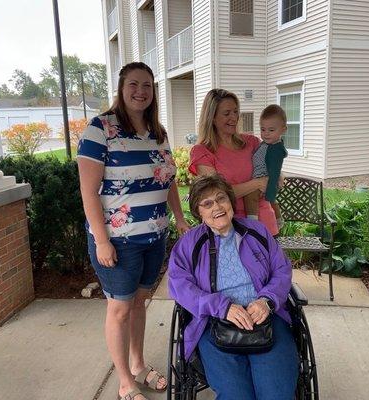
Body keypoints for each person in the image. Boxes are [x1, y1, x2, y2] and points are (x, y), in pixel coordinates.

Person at [77, 62, 189, 400]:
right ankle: (125, 381)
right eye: (134, 84)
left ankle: (138, 364)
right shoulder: (100, 129)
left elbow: (167, 180)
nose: (141, 91)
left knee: (140, 303)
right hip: (118, 241)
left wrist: (179, 218)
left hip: (155, 236)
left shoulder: (158, 132)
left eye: (148, 85)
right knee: (120, 308)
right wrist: (101, 240)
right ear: (122, 87)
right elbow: (88, 192)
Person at [168, 174, 299, 400]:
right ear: (198, 212)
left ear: (230, 202)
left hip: (265, 316)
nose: (217, 207)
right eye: (207, 204)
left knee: (277, 393)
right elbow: (179, 284)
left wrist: (266, 300)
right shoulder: (190, 243)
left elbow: (282, 270)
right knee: (235, 395)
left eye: (221, 199)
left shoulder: (256, 231)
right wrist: (222, 307)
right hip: (214, 323)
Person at [189, 89, 279, 236]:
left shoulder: (252, 142)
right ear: (212, 118)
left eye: (235, 112)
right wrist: (256, 184)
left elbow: (274, 176)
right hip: (228, 228)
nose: (234, 118)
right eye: (226, 113)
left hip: (265, 224)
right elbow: (216, 194)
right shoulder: (202, 151)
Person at [243, 104, 288, 229]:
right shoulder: (267, 144)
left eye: (271, 130)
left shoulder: (275, 149)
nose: (266, 134)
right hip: (261, 177)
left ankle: (253, 225)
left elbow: (274, 171)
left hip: (265, 180)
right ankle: (279, 220)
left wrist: (270, 190)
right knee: (271, 202)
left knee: (250, 196)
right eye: (263, 129)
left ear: (283, 129)